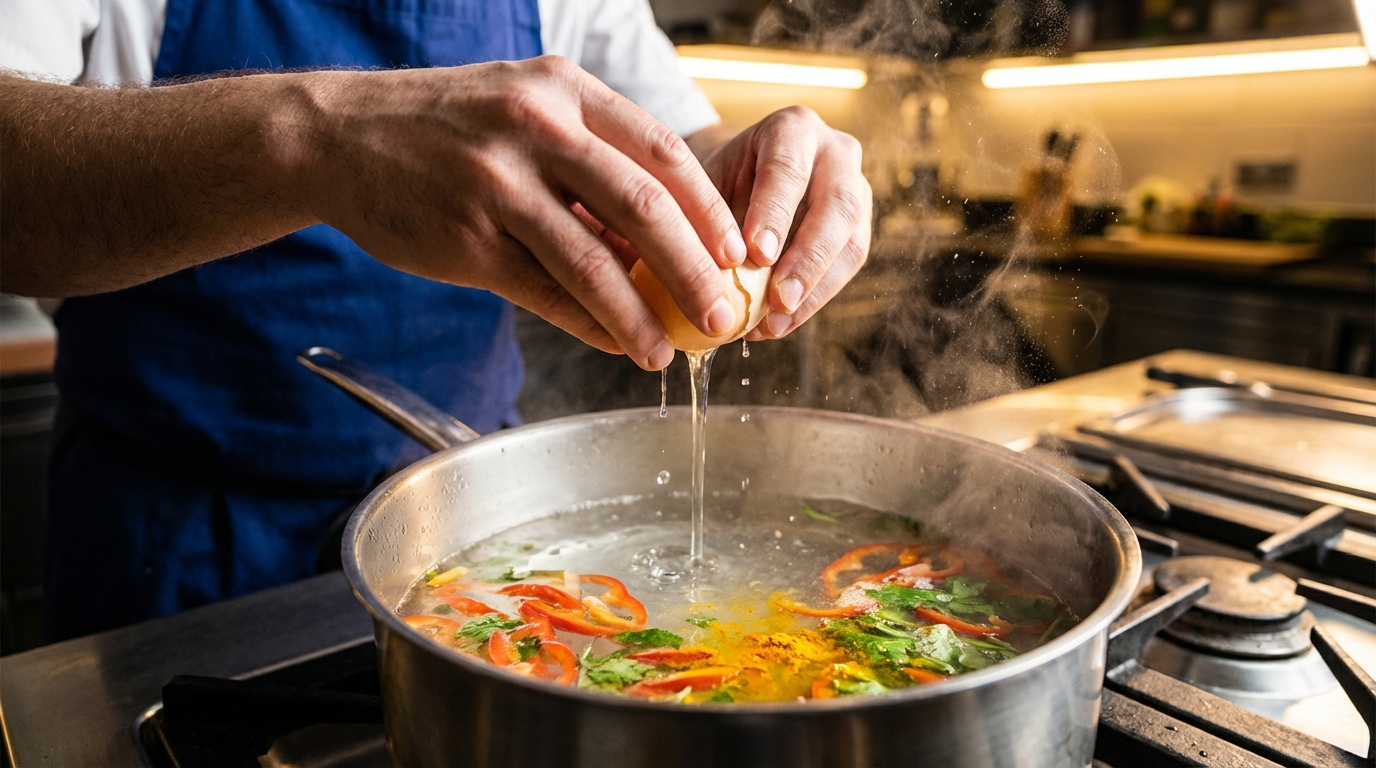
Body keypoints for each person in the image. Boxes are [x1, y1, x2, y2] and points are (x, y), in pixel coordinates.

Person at [0, 0, 871, 642]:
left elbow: (678, 154)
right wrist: (319, 138)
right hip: (174, 547)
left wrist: (757, 197)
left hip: (477, 528)